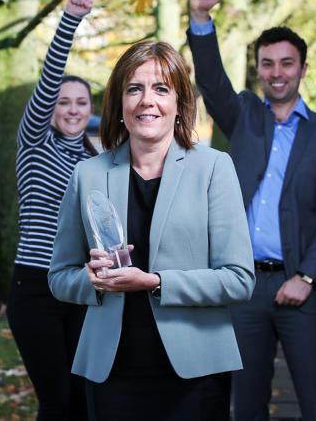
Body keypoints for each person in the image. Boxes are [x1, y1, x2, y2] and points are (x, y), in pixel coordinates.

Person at [48, 40, 255, 420]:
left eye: (161, 89)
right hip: (112, 370)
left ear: (179, 103)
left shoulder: (214, 168)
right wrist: (91, 280)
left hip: (196, 369)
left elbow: (239, 280)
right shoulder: (87, 174)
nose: (147, 100)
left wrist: (156, 282)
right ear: (119, 103)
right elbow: (59, 277)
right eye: (134, 89)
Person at [187, 0, 316, 420]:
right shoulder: (243, 115)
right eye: (267, 63)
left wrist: (308, 277)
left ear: (303, 68)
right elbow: (211, 80)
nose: (277, 72)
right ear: (258, 69)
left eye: (286, 63)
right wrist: (201, 19)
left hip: (303, 287)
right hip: (243, 288)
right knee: (246, 406)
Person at [6, 0, 96, 419]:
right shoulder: (35, 144)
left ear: (91, 110)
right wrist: (69, 22)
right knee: (56, 401)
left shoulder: (97, 163)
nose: (72, 109)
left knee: (81, 400)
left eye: (81, 102)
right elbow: (46, 85)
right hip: (36, 286)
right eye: (64, 102)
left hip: (81, 288)